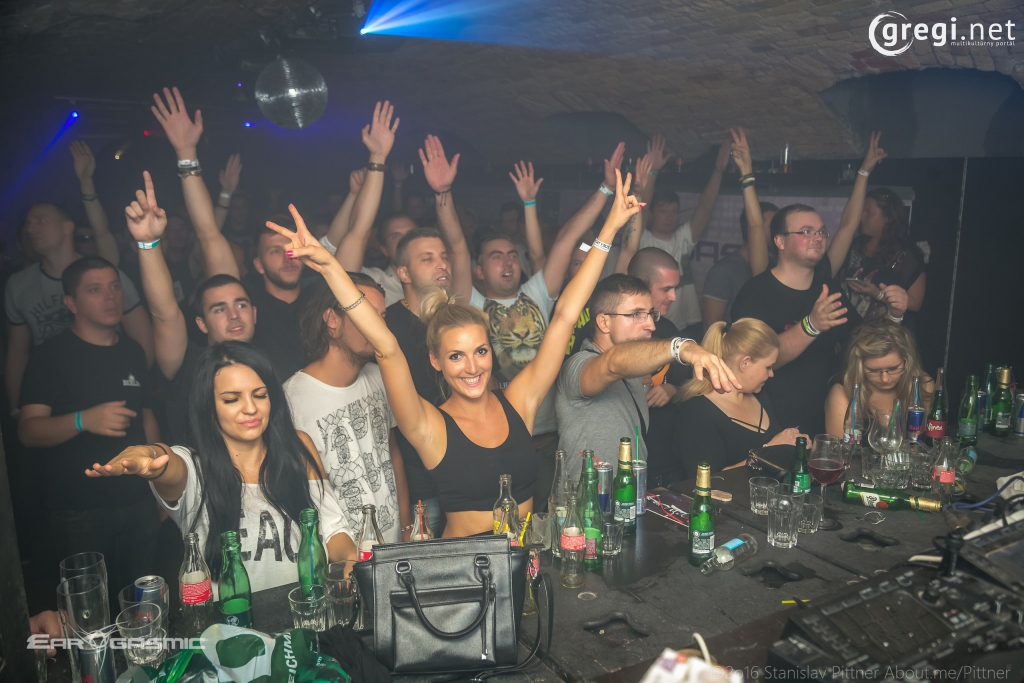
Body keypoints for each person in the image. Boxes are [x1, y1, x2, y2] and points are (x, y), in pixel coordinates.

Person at [264, 167, 643, 537]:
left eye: (480, 351)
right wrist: (330, 267)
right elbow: (387, 348)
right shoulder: (428, 426)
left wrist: (609, 229)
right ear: (436, 361)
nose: (472, 367)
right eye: (456, 356)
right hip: (465, 570)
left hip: (526, 562)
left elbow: (565, 316)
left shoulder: (519, 403)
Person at [85, 341, 356, 596]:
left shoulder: (297, 447)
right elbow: (168, 463)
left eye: (260, 395)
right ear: (209, 406)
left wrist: (350, 563)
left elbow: (332, 529)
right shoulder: (195, 468)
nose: (250, 408)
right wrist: (149, 454)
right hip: (231, 623)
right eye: (231, 399)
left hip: (307, 614)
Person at [471, 147, 625, 510]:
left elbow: (568, 238)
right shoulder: (470, 304)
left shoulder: (536, 293)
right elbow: (455, 248)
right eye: (496, 256)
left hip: (552, 437)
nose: (508, 262)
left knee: (556, 519)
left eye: (513, 255)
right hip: (500, 437)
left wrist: (605, 189)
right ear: (478, 270)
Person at [731, 132, 906, 436]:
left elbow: (865, 342)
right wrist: (811, 325)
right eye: (806, 231)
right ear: (780, 241)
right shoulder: (756, 293)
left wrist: (894, 315)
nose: (818, 237)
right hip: (771, 426)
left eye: (822, 232)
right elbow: (754, 361)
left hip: (825, 424)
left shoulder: (828, 287)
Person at [19, 256, 160, 599]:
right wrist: (83, 420)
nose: (110, 297)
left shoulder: (132, 351)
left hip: (138, 502)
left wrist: (159, 485)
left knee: (144, 604)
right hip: (79, 510)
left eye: (115, 287)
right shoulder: (50, 355)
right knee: (90, 611)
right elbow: (28, 431)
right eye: (95, 290)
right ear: (71, 303)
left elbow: (146, 415)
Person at [556, 273, 737, 477]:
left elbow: (629, 362)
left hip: (631, 491)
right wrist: (681, 348)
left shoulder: (633, 371)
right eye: (636, 314)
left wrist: (674, 389)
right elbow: (613, 363)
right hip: (587, 496)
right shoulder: (577, 366)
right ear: (604, 322)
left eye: (651, 314)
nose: (651, 325)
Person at [122, 171, 256, 445]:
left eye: (241, 305)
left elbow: (213, 239)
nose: (234, 315)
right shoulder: (189, 365)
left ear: (255, 314)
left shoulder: (267, 355)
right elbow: (164, 313)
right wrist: (148, 243)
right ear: (201, 323)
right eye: (219, 309)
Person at [283, 276, 412, 543]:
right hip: (344, 555)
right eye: (367, 315)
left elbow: (392, 452)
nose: (379, 327)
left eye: (382, 317)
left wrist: (406, 528)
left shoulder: (380, 376)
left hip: (392, 547)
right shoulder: (292, 399)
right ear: (332, 320)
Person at [5, 200, 153, 411]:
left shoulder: (107, 277)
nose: (30, 229)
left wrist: (133, 389)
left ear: (67, 227)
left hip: (109, 390)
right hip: (48, 396)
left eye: (41, 221)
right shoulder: (18, 284)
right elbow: (17, 352)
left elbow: (142, 340)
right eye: (28, 223)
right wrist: (16, 407)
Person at [672, 319, 807, 473]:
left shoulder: (760, 397)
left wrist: (797, 448)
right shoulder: (696, 413)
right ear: (744, 363)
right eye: (768, 367)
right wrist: (770, 449)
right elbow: (709, 481)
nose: (771, 374)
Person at [633, 134, 733, 339]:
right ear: (652, 214)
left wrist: (718, 171)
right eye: (663, 211)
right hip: (657, 324)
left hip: (689, 324)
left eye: (673, 212)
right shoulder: (643, 239)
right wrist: (652, 172)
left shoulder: (682, 238)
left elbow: (705, 207)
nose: (669, 217)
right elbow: (641, 208)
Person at [701, 127, 778, 328]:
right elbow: (711, 328)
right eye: (772, 225)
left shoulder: (772, 264)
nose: (778, 230)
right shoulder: (724, 271)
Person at [825, 318, 933, 437]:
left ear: (907, 361)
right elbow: (839, 448)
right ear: (859, 366)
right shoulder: (843, 393)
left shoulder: (923, 386)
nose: (885, 379)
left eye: (893, 369)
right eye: (874, 370)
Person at [839, 187, 926, 326]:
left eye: (869, 212)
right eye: (862, 211)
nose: (862, 217)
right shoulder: (857, 245)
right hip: (851, 330)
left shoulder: (906, 253)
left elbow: (916, 303)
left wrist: (878, 294)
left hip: (885, 332)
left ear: (888, 217)